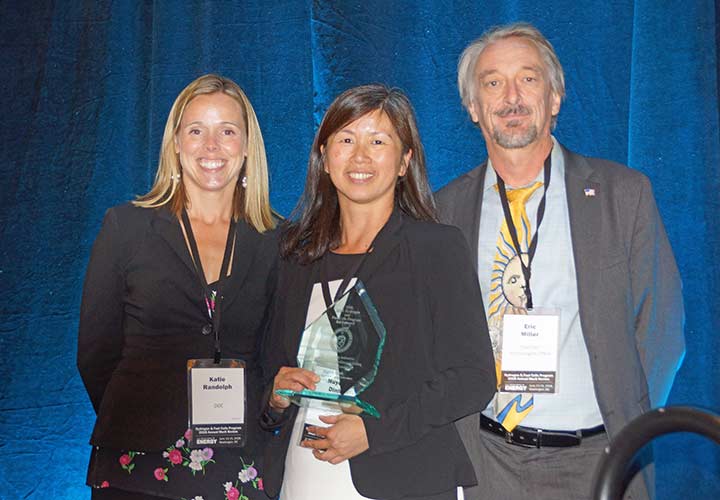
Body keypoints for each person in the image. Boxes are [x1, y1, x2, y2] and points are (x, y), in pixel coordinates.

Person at [436, 23, 685, 500]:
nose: (511, 96)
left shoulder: (623, 194)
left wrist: (626, 421)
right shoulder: (444, 210)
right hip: (489, 463)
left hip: (600, 459)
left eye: (528, 79)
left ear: (555, 97)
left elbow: (663, 327)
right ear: (473, 107)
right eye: (492, 82)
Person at [259, 84, 496, 500]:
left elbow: (473, 379)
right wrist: (275, 399)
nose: (360, 156)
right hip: (304, 477)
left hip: (404, 477)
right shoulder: (295, 255)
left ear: (405, 161)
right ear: (324, 157)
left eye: (378, 141)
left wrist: (374, 430)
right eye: (346, 140)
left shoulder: (434, 249)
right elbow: (270, 369)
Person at [78, 74, 277, 500]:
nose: (211, 146)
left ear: (246, 147)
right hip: (136, 465)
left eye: (227, 131)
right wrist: (139, 414)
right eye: (196, 131)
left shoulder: (280, 241)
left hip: (238, 467)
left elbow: (277, 354)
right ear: (175, 144)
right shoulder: (125, 227)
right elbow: (95, 353)